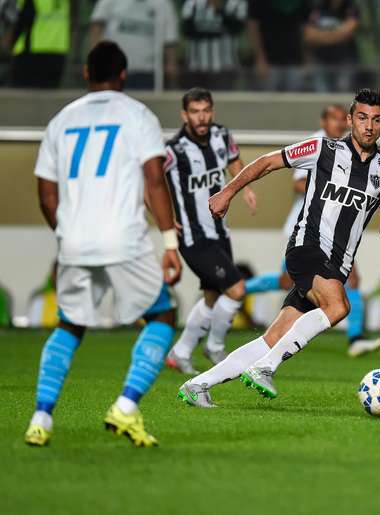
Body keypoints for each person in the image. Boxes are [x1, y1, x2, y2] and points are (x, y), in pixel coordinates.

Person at [178, 89, 380, 407]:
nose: (368, 126)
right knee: (338, 307)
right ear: (350, 120)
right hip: (307, 247)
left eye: (376, 119)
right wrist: (227, 192)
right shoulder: (322, 148)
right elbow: (267, 163)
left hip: (338, 265)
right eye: (361, 118)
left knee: (273, 338)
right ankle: (265, 368)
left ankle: (198, 385)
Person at [24, 42, 183, 447]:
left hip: (74, 241)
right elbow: (153, 179)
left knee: (70, 324)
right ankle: (126, 408)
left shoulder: (61, 121)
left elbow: (46, 195)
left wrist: (67, 234)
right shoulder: (137, 115)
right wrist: (168, 240)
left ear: (85, 73)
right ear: (124, 74)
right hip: (123, 239)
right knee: (163, 316)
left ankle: (41, 418)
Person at [245, 104, 380, 357]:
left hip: (334, 230)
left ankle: (355, 337)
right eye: (334, 119)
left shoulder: (349, 149)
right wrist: (327, 183)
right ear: (323, 121)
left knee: (352, 278)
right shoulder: (317, 144)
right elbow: (298, 182)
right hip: (308, 228)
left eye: (343, 119)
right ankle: (240, 289)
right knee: (287, 281)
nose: (339, 124)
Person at [163, 88, 257, 375]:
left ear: (212, 111)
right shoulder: (174, 149)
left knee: (212, 297)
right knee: (237, 288)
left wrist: (244, 187)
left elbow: (233, 161)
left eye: (205, 110)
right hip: (192, 236)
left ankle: (179, 353)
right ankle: (215, 346)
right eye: (195, 111)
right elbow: (150, 183)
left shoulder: (221, 135)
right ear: (184, 115)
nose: (201, 117)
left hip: (219, 230)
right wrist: (164, 219)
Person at [90, 0, 179, 89]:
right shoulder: (109, 2)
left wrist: (172, 80)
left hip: (147, 74)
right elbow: (96, 31)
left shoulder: (163, 4)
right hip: (113, 71)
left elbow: (170, 44)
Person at [180, 0, 248, 90]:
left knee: (223, 101)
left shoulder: (237, 3)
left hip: (225, 66)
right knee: (196, 101)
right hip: (196, 66)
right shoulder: (192, 3)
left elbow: (237, 29)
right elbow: (186, 30)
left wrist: (219, 10)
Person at [247, 0, 310, 91]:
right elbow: (253, 27)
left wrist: (306, 58)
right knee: (267, 101)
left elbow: (305, 27)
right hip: (269, 62)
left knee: (294, 100)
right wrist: (260, 58)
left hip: (295, 60)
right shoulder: (258, 2)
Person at [8, 0, 69, 88]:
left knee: (23, 95)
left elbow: (23, 22)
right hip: (57, 52)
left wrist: (11, 44)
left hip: (32, 51)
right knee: (50, 95)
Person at [304, 0, 360, 93]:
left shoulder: (351, 7)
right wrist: (337, 36)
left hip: (345, 61)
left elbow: (349, 30)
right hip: (321, 60)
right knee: (321, 94)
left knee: (343, 93)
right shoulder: (318, 7)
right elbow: (310, 35)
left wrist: (322, 36)